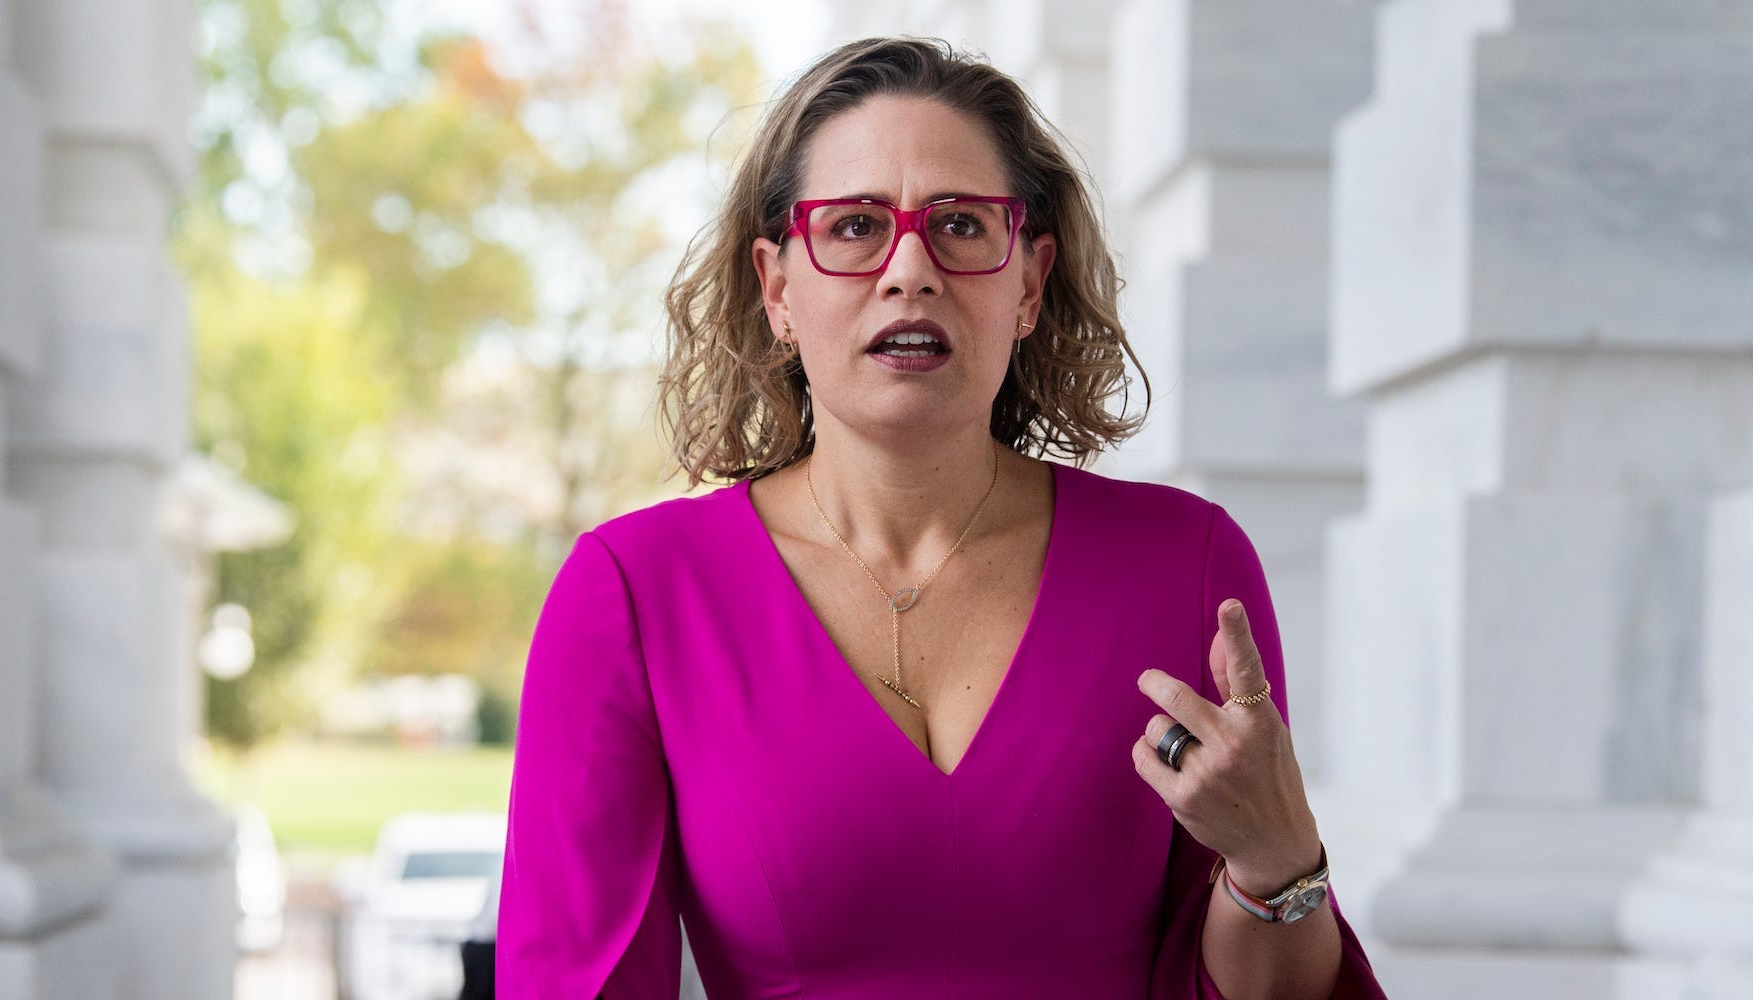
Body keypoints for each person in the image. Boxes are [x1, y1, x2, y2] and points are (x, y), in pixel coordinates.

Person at [497, 36, 1386, 999]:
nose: (910, 268)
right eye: (853, 227)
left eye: (962, 225)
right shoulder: (634, 593)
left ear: (1031, 283)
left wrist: (1279, 862)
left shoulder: (1189, 567)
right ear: (777, 286)